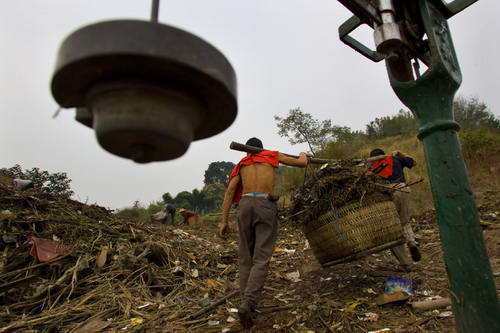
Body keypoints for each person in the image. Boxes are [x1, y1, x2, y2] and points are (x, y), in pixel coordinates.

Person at [218, 137, 308, 329]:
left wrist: (224, 220)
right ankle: (249, 303)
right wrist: (303, 154)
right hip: (265, 205)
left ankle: (246, 301)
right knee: (261, 257)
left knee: (245, 258)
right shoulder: (272, 155)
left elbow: (230, 191)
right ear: (262, 149)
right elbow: (302, 163)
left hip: (245, 204)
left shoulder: (242, 164)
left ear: (247, 152)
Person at [369, 148, 421, 270]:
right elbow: (412, 162)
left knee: (392, 230)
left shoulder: (371, 168)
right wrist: (400, 153)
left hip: (386, 195)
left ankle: (405, 263)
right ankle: (411, 241)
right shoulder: (395, 159)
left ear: (373, 158)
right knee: (404, 221)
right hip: (403, 189)